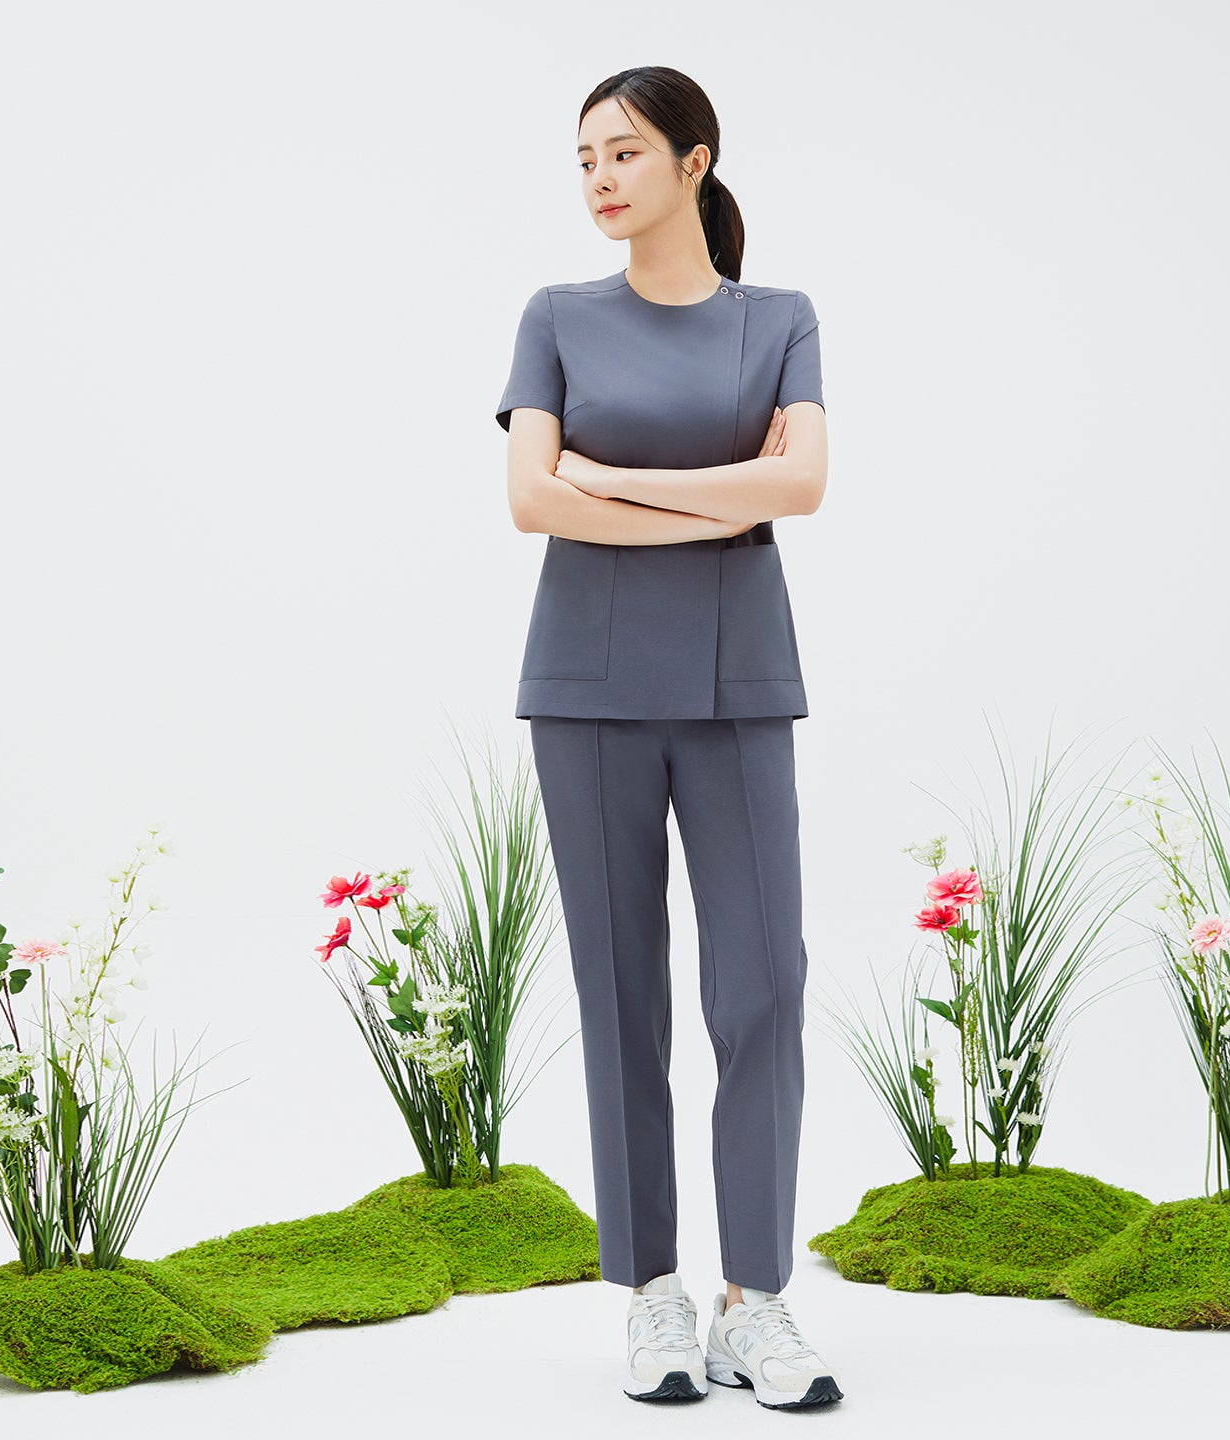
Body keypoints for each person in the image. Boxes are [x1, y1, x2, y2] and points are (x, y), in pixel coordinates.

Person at [495, 65, 843, 1411]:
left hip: (741, 685)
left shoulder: (781, 319)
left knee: (763, 988)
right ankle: (653, 1297)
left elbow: (804, 481)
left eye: (625, 150)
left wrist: (618, 479)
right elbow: (531, 501)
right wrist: (723, 501)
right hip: (583, 690)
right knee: (621, 994)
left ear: (696, 162)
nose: (599, 176)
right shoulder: (556, 318)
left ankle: (759, 1298)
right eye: (584, 155)